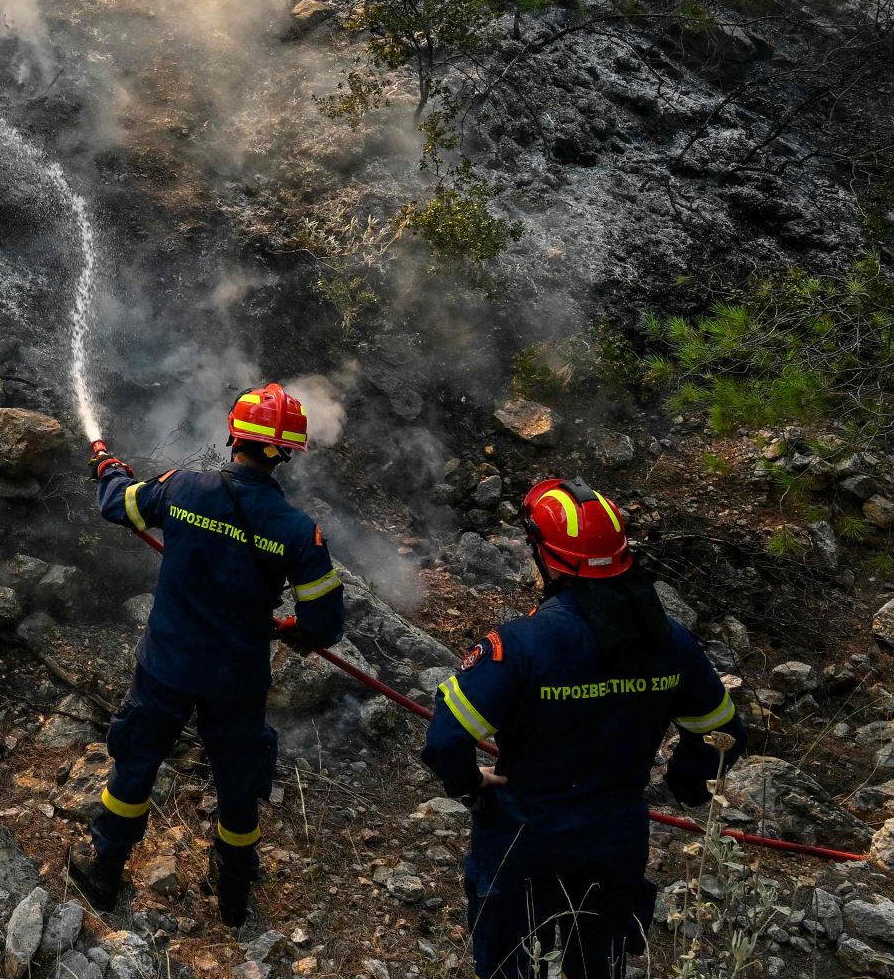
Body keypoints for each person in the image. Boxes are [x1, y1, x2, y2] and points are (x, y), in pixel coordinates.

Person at [421, 478, 746, 979]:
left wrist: (470, 784)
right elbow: (723, 731)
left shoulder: (521, 645)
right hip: (616, 834)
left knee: (509, 962)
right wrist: (682, 786)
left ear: (547, 557)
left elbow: (446, 738)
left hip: (524, 832)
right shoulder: (671, 642)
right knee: (597, 964)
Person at [72, 382, 346, 928]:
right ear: (286, 452)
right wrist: (291, 629)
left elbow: (119, 505)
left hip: (166, 668)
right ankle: (234, 891)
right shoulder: (297, 532)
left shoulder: (185, 488)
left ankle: (104, 871)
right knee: (237, 782)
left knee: (137, 764)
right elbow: (325, 626)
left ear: (234, 436)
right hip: (237, 680)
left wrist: (107, 465)